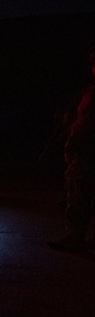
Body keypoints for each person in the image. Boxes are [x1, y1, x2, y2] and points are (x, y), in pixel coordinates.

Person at [49, 49, 95, 253]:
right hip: (85, 149)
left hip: (86, 151)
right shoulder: (89, 89)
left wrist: (72, 144)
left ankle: (77, 238)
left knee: (79, 190)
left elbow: (85, 124)